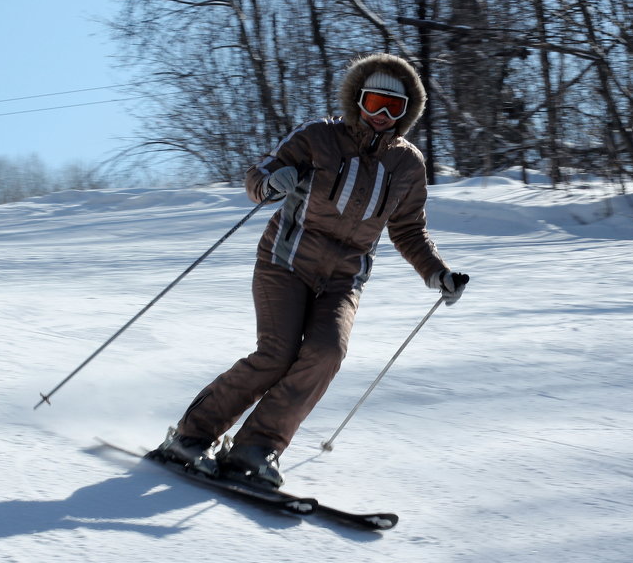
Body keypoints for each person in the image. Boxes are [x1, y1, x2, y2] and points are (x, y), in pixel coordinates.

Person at [155, 52, 469, 488]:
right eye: (374, 102)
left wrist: (438, 273)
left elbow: (409, 230)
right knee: (276, 354)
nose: (380, 115)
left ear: (406, 113)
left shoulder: (408, 166)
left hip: (343, 280)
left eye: (393, 108)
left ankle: (255, 447)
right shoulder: (319, 137)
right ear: (357, 100)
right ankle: (192, 437)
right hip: (285, 263)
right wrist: (271, 183)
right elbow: (258, 177)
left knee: (326, 353)